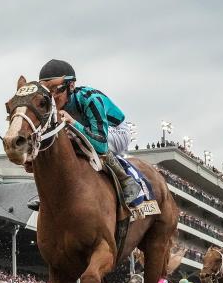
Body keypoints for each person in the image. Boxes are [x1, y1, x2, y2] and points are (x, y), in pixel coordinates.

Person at [27, 60, 142, 211]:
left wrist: (74, 123)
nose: (53, 97)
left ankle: (126, 181)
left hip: (116, 131)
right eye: (48, 92)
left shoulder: (90, 99)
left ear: (71, 86)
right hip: (88, 130)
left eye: (57, 90)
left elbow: (100, 144)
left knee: (75, 137)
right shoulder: (50, 105)